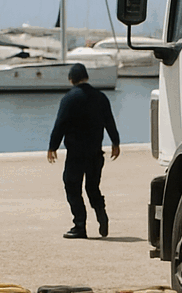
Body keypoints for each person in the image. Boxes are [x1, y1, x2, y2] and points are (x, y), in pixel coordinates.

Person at [47, 62, 121, 239]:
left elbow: (60, 124)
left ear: (71, 79)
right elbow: (109, 122)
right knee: (92, 187)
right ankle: (101, 214)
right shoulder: (100, 97)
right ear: (86, 77)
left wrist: (52, 146)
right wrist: (115, 143)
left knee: (72, 186)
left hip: (76, 154)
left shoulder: (69, 99)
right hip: (95, 152)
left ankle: (80, 226)